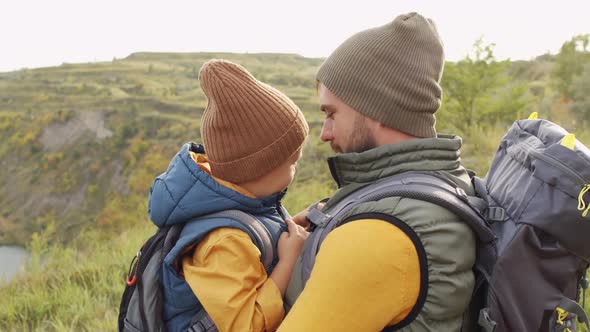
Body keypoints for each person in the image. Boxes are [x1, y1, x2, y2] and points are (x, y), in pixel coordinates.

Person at [279, 12, 477, 332]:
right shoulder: (446, 182)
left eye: (331, 114)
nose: (325, 133)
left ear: (377, 109)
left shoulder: (380, 233)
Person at [147, 59, 309, 332]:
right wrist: (289, 260)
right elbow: (247, 325)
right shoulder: (223, 242)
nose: (297, 166)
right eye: (292, 162)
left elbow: (250, 247)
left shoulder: (243, 203)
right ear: (259, 169)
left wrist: (288, 226)